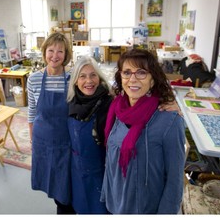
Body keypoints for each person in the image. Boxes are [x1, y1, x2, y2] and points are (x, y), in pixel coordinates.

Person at [100, 48, 186, 214]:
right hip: (115, 203)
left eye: (141, 72)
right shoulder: (117, 110)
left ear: (152, 79)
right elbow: (111, 162)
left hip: (146, 208)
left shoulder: (169, 121)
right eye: (127, 72)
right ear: (120, 77)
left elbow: (175, 180)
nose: (132, 79)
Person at [27, 32, 75, 214]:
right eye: (51, 50)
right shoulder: (34, 79)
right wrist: (32, 139)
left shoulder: (73, 78)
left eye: (60, 51)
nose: (55, 55)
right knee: (53, 182)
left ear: (66, 54)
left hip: (67, 140)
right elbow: (32, 111)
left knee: (67, 183)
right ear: (44, 52)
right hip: (43, 140)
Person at [66, 56, 113, 214]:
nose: (89, 81)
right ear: (75, 81)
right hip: (77, 174)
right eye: (83, 76)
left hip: (101, 174)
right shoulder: (71, 103)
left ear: (99, 78)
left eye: (93, 75)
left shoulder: (110, 102)